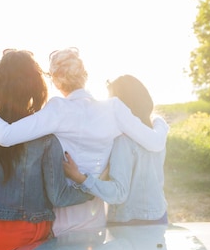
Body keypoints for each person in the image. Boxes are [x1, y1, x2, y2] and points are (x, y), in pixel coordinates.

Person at [0, 48, 169, 236]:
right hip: (95, 211)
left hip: (62, 215)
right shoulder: (114, 109)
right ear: (84, 74)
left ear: (56, 82)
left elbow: (6, 136)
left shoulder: (57, 110)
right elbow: (155, 143)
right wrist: (160, 123)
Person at [0, 49, 91, 250]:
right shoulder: (45, 137)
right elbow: (59, 197)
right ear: (36, 87)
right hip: (30, 232)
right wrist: (93, 188)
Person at [63, 74, 168, 225]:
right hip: (159, 216)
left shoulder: (123, 140)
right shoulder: (155, 131)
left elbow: (119, 193)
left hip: (131, 223)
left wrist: (81, 178)